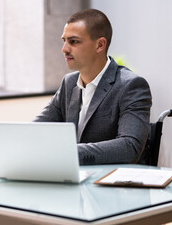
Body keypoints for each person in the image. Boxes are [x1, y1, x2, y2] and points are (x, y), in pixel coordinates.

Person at [34, 9, 152, 165]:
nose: (64, 49)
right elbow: (37, 129)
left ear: (100, 45)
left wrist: (68, 152)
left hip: (112, 184)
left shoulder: (131, 85)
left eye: (74, 41)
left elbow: (129, 147)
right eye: (64, 40)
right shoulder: (68, 83)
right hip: (75, 179)